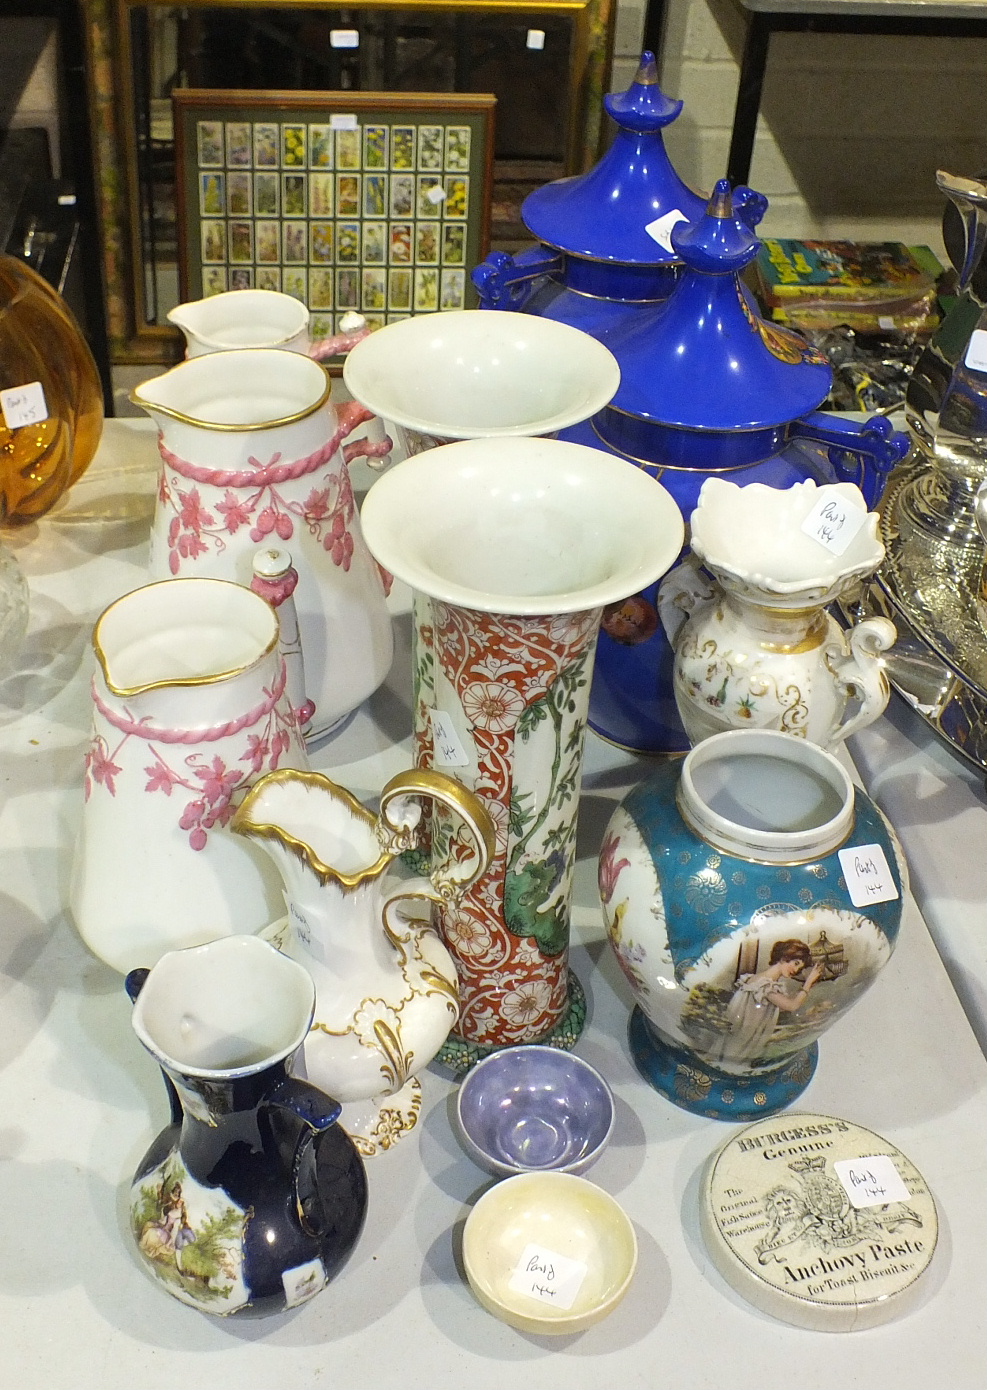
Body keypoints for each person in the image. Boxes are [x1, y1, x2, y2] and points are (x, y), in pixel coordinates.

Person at [708, 939, 822, 1066]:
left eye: (799, 968)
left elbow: (779, 1007)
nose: (795, 970)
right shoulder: (765, 985)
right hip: (743, 1039)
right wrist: (808, 983)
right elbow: (792, 1006)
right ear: (785, 957)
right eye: (795, 963)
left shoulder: (759, 980)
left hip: (743, 1036)